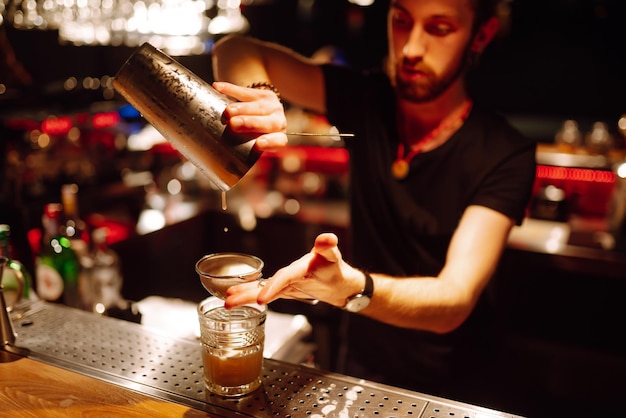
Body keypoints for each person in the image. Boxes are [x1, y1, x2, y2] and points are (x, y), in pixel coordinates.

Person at [211, 0, 536, 408]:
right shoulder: (367, 101)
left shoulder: (504, 153)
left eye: (438, 28)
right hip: (360, 370)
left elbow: (454, 299)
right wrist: (259, 99)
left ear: (481, 35)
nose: (411, 48)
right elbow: (235, 49)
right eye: (401, 21)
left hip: (455, 388)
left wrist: (353, 289)